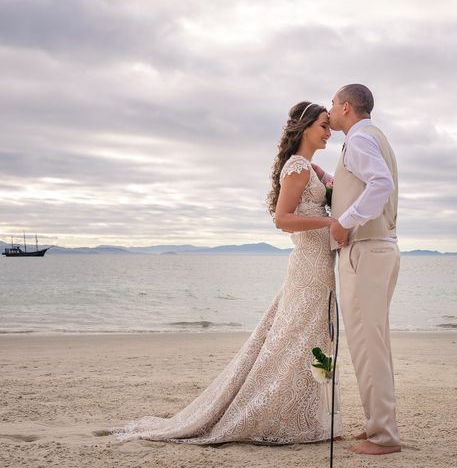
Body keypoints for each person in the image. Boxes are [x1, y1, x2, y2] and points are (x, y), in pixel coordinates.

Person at [111, 101, 343, 445]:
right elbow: (282, 219)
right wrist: (329, 221)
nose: (329, 133)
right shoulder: (296, 167)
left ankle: (306, 418)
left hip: (320, 266)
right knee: (293, 342)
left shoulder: (311, 168)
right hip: (308, 266)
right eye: (324, 126)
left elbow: (339, 185)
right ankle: (271, 415)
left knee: (311, 341)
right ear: (306, 127)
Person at [314, 84, 401, 455]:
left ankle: (383, 436)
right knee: (374, 343)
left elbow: (381, 184)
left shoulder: (359, 140)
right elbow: (368, 184)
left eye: (333, 103)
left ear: (346, 107)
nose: (330, 110)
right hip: (380, 249)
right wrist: (331, 183)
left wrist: (344, 222)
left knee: (367, 345)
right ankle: (377, 426)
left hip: (364, 251)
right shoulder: (374, 137)